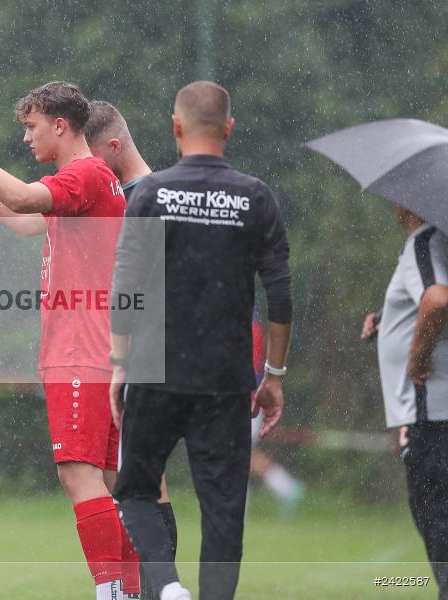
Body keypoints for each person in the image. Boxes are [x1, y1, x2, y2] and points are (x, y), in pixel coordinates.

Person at [0, 82, 136, 599]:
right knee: (113, 483)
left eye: (30, 127)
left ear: (60, 125)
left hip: (81, 351)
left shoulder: (85, 173)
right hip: (104, 351)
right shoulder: (92, 182)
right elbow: (28, 222)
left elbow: (26, 196)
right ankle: (135, 590)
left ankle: (112, 591)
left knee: (79, 475)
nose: (26, 138)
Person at [109, 81, 292, 600]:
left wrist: (120, 363)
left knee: (137, 490)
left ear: (176, 127)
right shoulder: (255, 197)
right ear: (229, 129)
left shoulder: (150, 192)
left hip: (154, 367)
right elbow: (279, 293)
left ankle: (166, 587)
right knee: (224, 509)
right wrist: (273, 376)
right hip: (226, 378)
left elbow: (126, 282)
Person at [84, 100, 178, 599]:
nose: (89, 169)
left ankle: (160, 588)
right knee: (131, 478)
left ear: (114, 148)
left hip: (145, 352)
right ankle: (157, 587)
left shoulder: (143, 198)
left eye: (94, 156)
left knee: (143, 481)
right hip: (155, 349)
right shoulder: (160, 191)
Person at [361, 205, 448, 599]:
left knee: (438, 526)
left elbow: (437, 299)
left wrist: (415, 356)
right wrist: (388, 320)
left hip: (433, 417)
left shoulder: (425, 241)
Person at [248, 313, 304, 519]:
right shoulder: (251, 318)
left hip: (247, 399)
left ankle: (287, 488)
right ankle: (286, 488)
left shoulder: (247, 320)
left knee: (237, 456)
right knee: (240, 456)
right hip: (249, 397)